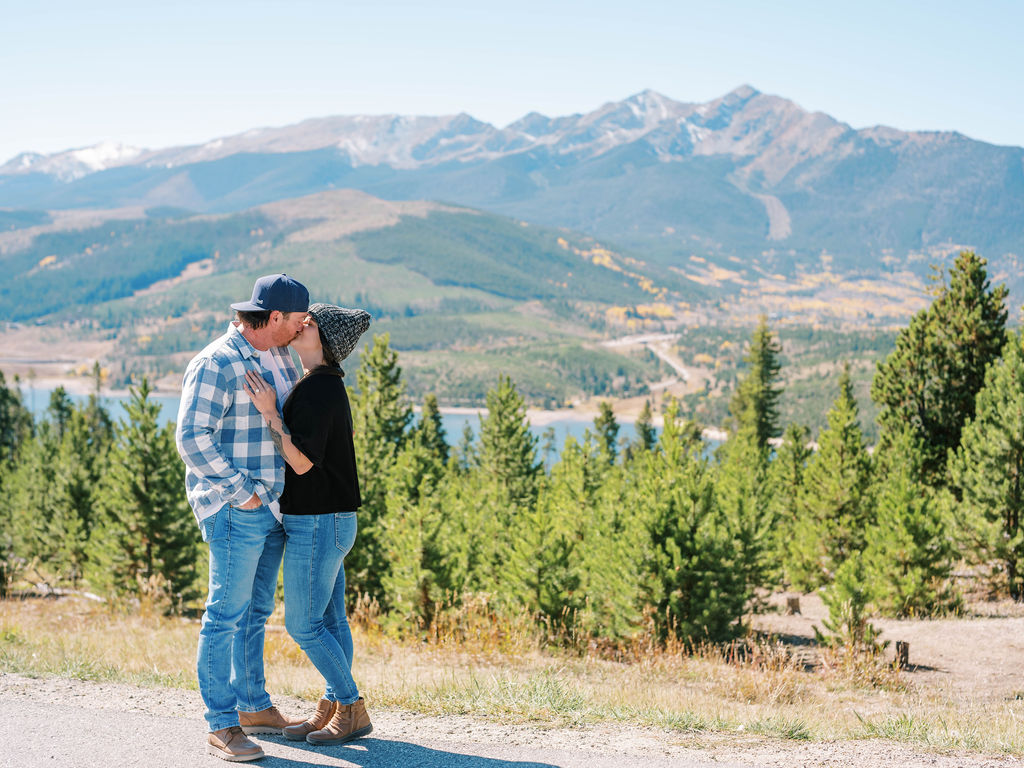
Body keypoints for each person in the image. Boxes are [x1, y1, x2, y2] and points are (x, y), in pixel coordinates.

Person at [175, 274, 310, 762]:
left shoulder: (278, 353)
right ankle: (221, 724)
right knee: (225, 616)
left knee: (255, 614)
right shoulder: (217, 362)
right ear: (274, 318)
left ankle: (253, 705)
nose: (302, 328)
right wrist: (243, 494)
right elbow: (192, 438)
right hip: (237, 509)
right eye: (297, 321)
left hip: (272, 508)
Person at [243, 302, 373, 745]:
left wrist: (269, 415)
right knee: (333, 622)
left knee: (303, 625)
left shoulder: (319, 389)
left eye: (311, 323)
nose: (301, 324)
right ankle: (332, 707)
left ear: (326, 340)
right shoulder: (321, 384)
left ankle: (351, 706)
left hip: (319, 523)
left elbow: (300, 463)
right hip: (328, 520)